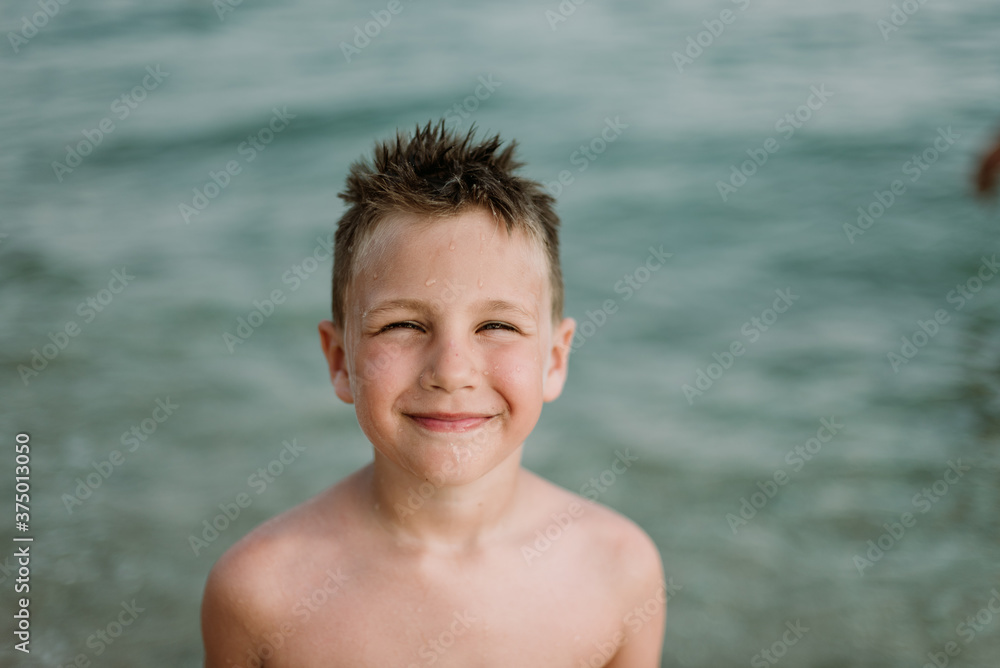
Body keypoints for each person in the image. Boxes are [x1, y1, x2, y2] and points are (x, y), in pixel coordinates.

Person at [201, 121, 666, 667]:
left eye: (496, 325)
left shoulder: (619, 570)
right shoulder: (260, 592)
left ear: (555, 359)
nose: (451, 371)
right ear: (340, 361)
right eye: (404, 325)